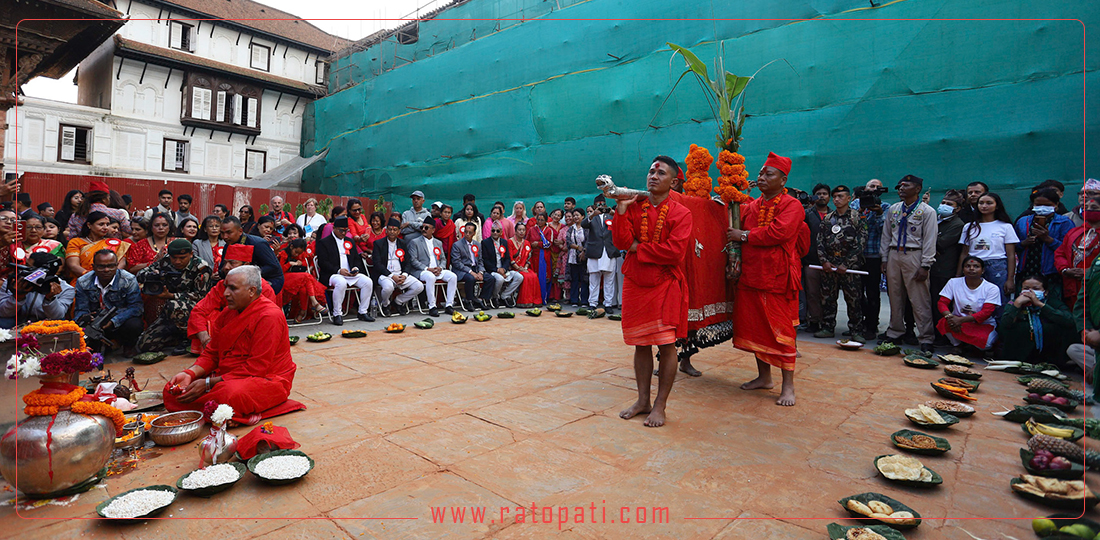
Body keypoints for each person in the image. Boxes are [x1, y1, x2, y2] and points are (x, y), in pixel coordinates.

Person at [612, 156, 693, 427]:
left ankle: (660, 405)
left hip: (665, 285)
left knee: (667, 344)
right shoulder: (635, 207)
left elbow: (674, 252)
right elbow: (622, 241)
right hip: (636, 282)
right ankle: (643, 400)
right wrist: (622, 209)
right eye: (650, 171)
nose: (653, 176)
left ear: (674, 181)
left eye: (661, 173)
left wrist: (638, 248)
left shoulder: (682, 213)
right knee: (640, 343)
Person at [165, 265, 297, 426]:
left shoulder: (269, 316)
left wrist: (207, 384)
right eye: (226, 287)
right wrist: (190, 374)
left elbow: (257, 368)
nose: (226, 293)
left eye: (232, 288)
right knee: (171, 390)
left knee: (230, 394)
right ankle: (222, 411)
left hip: (266, 379)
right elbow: (212, 353)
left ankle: (231, 411)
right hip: (228, 376)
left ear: (251, 291)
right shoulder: (228, 313)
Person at [728, 152, 803, 406]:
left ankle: (788, 387)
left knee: (781, 333)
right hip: (751, 277)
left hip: (777, 279)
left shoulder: (792, 205)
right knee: (757, 330)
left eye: (768, 174)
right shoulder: (753, 205)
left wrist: (745, 236)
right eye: (760, 173)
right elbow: (733, 218)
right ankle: (764, 377)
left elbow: (778, 232)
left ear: (783, 180)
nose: (761, 177)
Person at [881, 175, 938, 353]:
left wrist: (925, 264)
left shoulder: (927, 211)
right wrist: (884, 258)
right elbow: (886, 235)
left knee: (919, 298)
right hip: (894, 254)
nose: (901, 188)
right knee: (895, 295)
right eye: (900, 186)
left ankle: (926, 337)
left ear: (918, 189)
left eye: (906, 185)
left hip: (915, 254)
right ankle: (895, 331)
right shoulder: (894, 209)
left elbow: (930, 239)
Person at [187, 245, 277, 354]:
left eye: (232, 263)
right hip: (224, 334)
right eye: (225, 263)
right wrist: (205, 339)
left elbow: (267, 323)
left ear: (246, 265)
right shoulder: (222, 284)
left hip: (251, 339)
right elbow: (199, 310)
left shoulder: (265, 289)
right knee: (212, 316)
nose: (226, 267)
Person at [136, 239, 213, 355]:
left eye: (182, 258)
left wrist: (171, 295)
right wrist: (153, 275)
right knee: (145, 345)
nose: (177, 261)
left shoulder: (201, 268)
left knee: (173, 305)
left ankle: (188, 338)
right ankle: (175, 335)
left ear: (191, 254)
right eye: (174, 258)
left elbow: (201, 296)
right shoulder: (166, 261)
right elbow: (139, 275)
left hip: (195, 310)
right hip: (169, 310)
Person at [815, 185, 867, 341]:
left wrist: (847, 264)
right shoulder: (828, 218)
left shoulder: (858, 217)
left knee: (854, 299)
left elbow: (860, 243)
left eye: (841, 196)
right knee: (827, 298)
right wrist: (824, 261)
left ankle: (856, 330)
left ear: (849, 198)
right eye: (835, 197)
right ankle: (827, 327)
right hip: (830, 266)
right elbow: (819, 242)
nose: (837, 199)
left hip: (850, 268)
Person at [73, 249, 143, 355]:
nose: (106, 270)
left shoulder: (128, 279)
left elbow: (136, 307)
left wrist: (114, 321)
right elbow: (80, 309)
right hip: (96, 321)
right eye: (101, 266)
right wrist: (85, 318)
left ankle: (128, 345)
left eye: (111, 266)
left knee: (134, 324)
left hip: (120, 319)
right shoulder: (83, 282)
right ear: (93, 267)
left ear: (117, 265)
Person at [957, 192, 1018, 310]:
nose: (984, 206)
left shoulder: (1005, 226)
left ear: (997, 206)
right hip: (972, 266)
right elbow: (964, 253)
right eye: (981, 203)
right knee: (974, 301)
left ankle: (999, 327)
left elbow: (1011, 255)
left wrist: (1010, 279)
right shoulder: (969, 227)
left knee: (999, 301)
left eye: (989, 203)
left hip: (997, 266)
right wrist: (958, 275)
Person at [1000, 275, 1074, 365]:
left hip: (1050, 356)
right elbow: (1004, 325)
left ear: (1045, 292)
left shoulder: (1053, 302)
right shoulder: (1015, 303)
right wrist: (1017, 305)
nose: (1031, 292)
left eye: (1036, 288)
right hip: (1018, 356)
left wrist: (1040, 305)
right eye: (1026, 288)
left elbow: (1069, 321)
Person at [316, 216, 375, 325]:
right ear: (334, 228)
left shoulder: (350, 241)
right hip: (333, 274)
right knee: (341, 282)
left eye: (346, 230)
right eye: (341, 230)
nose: (343, 233)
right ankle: (337, 314)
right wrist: (338, 270)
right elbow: (323, 263)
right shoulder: (324, 242)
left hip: (350, 274)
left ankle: (363, 312)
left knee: (368, 282)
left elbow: (356, 259)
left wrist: (355, 268)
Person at [936, 256, 1001, 353]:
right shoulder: (953, 282)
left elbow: (986, 312)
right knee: (943, 322)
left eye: (976, 266)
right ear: (963, 269)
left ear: (983, 270)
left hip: (982, 324)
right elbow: (942, 303)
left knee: (986, 345)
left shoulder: (992, 288)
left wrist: (960, 320)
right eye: (968, 266)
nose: (971, 269)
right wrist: (950, 317)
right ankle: (958, 345)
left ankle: (970, 347)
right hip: (957, 321)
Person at [1015, 187, 1074, 294]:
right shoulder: (1023, 222)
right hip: (1027, 270)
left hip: (1051, 272)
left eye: (1047, 205)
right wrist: (1024, 243)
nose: (1042, 208)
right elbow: (1013, 247)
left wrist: (1048, 239)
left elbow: (1069, 249)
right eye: (1038, 205)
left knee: (1052, 304)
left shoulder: (1064, 222)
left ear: (1056, 205)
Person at [0, 253, 74, 328]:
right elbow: (3, 312)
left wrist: (50, 299)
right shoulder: (15, 281)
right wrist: (18, 297)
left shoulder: (66, 289)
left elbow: (57, 316)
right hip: (17, 321)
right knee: (3, 322)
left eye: (28, 267)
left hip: (46, 324)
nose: (24, 269)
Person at [371, 218, 425, 316]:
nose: (392, 232)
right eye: (390, 229)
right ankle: (385, 304)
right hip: (385, 274)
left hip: (400, 274)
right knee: (388, 288)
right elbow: (377, 264)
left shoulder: (402, 243)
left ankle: (398, 301)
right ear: (386, 230)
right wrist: (392, 276)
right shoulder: (378, 243)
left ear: (399, 231)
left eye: (395, 230)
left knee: (419, 286)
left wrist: (404, 275)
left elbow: (408, 262)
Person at [932, 190, 966, 339]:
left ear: (957, 208)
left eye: (949, 204)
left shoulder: (957, 224)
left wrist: (929, 243)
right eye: (943, 203)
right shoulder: (935, 219)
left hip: (944, 269)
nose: (944, 206)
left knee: (941, 304)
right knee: (930, 303)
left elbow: (940, 243)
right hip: (931, 267)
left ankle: (942, 336)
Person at [1056, 195, 1100, 309]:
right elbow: (1060, 254)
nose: (1088, 210)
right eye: (1086, 207)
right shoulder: (1074, 232)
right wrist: (1065, 270)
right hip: (1073, 286)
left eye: (1094, 208)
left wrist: (1089, 272)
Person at [219, 216, 284, 294]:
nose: (224, 237)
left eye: (229, 233)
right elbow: (223, 267)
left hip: (268, 280)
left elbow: (272, 267)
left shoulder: (258, 244)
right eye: (222, 233)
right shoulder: (228, 245)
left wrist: (247, 273)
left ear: (240, 231)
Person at [408, 219, 459, 316]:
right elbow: (413, 261)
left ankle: (449, 305)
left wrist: (440, 267)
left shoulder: (438, 243)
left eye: (426, 228)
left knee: (453, 276)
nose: (423, 229)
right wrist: (428, 269)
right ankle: (432, 306)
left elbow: (443, 259)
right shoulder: (415, 242)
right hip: (423, 271)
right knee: (430, 277)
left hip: (437, 270)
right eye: (422, 227)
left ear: (433, 230)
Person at [801, 183, 830, 333]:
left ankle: (828, 323)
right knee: (812, 293)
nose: (822, 196)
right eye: (818, 193)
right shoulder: (806, 214)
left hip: (831, 262)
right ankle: (813, 321)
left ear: (829, 197)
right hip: (811, 260)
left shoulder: (835, 215)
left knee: (829, 294)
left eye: (825, 193)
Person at [65, 211, 129, 278]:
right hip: (83, 281)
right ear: (89, 225)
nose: (105, 227)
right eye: (101, 224)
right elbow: (73, 265)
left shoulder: (115, 243)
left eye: (107, 224)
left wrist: (109, 278)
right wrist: (93, 277)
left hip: (111, 280)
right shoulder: (76, 242)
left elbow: (122, 264)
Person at [581, 195, 617, 313]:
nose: (601, 206)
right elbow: (583, 224)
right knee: (594, 279)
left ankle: (608, 304)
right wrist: (593, 214)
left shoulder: (611, 216)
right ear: (595, 205)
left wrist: (614, 213)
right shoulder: (592, 217)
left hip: (608, 250)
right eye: (598, 204)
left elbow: (622, 223)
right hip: (595, 251)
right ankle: (592, 303)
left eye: (603, 204)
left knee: (609, 279)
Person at [278, 238, 328, 323]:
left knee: (304, 289)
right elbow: (280, 271)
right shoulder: (283, 254)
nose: (297, 254)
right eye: (296, 252)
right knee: (306, 276)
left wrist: (300, 264)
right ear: (291, 247)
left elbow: (305, 265)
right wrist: (289, 264)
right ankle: (315, 303)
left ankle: (302, 312)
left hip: (295, 278)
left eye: (299, 253)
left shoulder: (299, 255)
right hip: (283, 278)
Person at [451, 222, 492, 310]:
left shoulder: (478, 244)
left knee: (490, 278)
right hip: (462, 270)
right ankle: (468, 300)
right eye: (466, 232)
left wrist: (480, 272)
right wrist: (471, 272)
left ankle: (480, 299)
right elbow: (456, 263)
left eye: (470, 232)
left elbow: (480, 260)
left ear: (474, 233)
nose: (467, 234)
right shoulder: (457, 245)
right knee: (471, 278)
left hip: (475, 268)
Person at [482, 222, 523, 306]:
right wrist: (497, 270)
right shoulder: (485, 243)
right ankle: (495, 297)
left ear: (501, 232)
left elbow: (507, 258)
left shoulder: (504, 242)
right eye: (493, 231)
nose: (495, 233)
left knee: (519, 277)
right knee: (500, 279)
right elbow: (485, 260)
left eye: (497, 231)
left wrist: (503, 269)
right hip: (492, 270)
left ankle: (505, 295)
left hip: (504, 270)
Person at [509, 222, 542, 307]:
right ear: (515, 231)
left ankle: (534, 301)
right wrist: (519, 268)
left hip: (524, 268)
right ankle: (523, 302)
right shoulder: (510, 241)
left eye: (523, 230)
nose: (521, 232)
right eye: (519, 230)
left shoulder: (527, 243)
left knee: (534, 276)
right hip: (514, 268)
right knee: (526, 277)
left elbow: (529, 258)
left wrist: (526, 267)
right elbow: (510, 258)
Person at [526, 212, 554, 304]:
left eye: (542, 220)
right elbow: (527, 241)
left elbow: (549, 244)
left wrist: (538, 244)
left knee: (545, 277)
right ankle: (534, 298)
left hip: (544, 256)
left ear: (546, 220)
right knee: (535, 277)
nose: (540, 222)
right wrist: (532, 245)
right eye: (538, 220)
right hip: (534, 256)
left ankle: (543, 298)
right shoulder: (531, 229)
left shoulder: (549, 230)